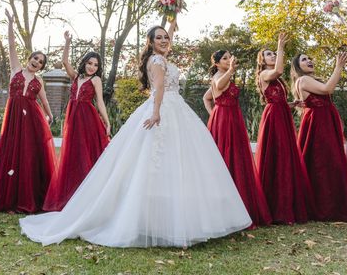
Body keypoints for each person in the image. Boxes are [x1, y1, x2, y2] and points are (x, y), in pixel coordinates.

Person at [20, 17, 252, 247]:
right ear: (150, 42)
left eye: (166, 37)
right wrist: (157, 112)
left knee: (176, 161)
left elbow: (167, 41)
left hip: (175, 108)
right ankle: (145, 218)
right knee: (153, 161)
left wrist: (174, 15)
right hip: (162, 108)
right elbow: (160, 87)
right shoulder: (157, 61)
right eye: (158, 37)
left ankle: (169, 219)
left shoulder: (161, 56)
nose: (164, 40)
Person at [0, 10, 56, 212]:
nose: (36, 62)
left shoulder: (39, 81)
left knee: (27, 154)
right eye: (35, 58)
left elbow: (43, 100)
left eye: (40, 62)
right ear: (29, 58)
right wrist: (10, 22)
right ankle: (9, 198)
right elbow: (10, 46)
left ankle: (28, 198)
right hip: (14, 115)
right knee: (11, 152)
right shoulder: (16, 69)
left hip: (31, 119)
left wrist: (50, 115)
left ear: (42, 67)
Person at [42, 32, 110, 212]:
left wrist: (107, 121)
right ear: (84, 62)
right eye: (89, 63)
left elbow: (100, 102)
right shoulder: (76, 77)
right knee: (72, 153)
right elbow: (65, 62)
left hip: (87, 118)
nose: (92, 67)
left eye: (96, 65)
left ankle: (90, 196)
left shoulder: (96, 80)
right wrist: (67, 42)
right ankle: (72, 195)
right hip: (73, 118)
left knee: (86, 152)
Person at [255, 33, 314, 224]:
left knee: (286, 156)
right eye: (269, 54)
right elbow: (279, 70)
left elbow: (277, 98)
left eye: (274, 53)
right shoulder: (265, 74)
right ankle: (276, 207)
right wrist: (280, 46)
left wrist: (291, 104)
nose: (272, 56)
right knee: (277, 156)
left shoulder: (277, 80)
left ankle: (288, 203)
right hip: (273, 118)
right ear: (262, 61)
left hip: (282, 115)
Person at [207, 49, 272, 226]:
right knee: (226, 157)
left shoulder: (226, 75)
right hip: (224, 120)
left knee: (238, 157)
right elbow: (218, 87)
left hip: (232, 118)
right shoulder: (219, 76)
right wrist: (215, 115)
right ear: (217, 63)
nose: (229, 60)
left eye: (229, 57)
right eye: (225, 58)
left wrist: (213, 113)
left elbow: (209, 97)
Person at [292, 52, 347, 222]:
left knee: (329, 162)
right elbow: (328, 89)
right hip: (318, 124)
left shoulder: (312, 79)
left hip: (325, 121)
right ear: (298, 67)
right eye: (304, 60)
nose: (309, 61)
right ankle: (322, 206)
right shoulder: (304, 80)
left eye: (309, 58)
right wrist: (338, 67)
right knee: (321, 163)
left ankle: (332, 204)